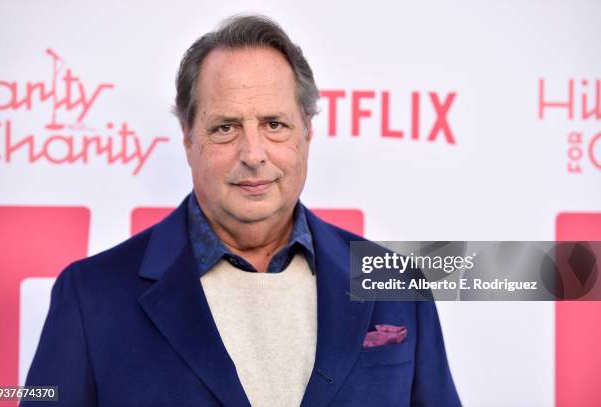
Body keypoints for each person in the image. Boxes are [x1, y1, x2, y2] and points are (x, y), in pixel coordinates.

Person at [23, 15, 460, 406]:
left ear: (306, 132)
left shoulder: (396, 284)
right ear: (188, 138)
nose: (253, 154)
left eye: (274, 124)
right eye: (225, 127)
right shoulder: (91, 297)